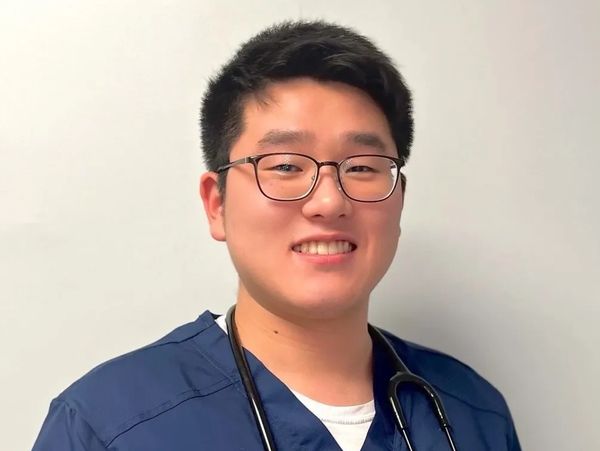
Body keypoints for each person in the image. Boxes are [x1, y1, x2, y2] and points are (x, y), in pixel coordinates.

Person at [33, 21, 521, 450]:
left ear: (398, 200)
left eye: (363, 167)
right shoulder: (108, 425)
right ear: (217, 204)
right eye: (285, 165)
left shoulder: (469, 413)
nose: (329, 201)